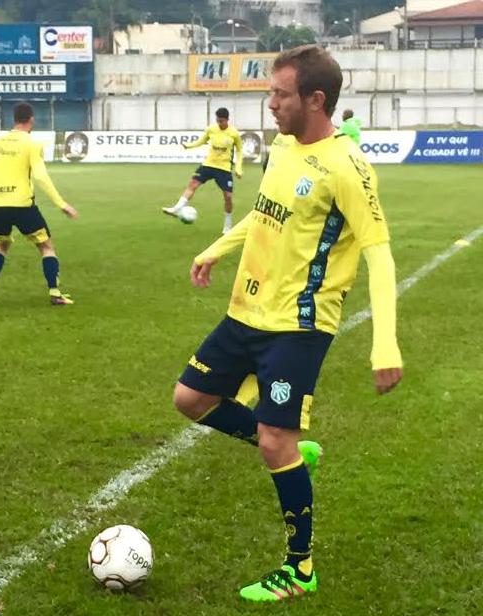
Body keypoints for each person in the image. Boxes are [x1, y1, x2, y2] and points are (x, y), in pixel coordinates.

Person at [171, 45, 403, 603]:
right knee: (190, 399)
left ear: (315, 99)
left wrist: (385, 345)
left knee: (276, 442)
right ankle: (300, 453)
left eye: (280, 94)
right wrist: (217, 247)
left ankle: (300, 568)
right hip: (245, 310)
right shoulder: (281, 146)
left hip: (298, 325)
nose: (269, 104)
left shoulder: (347, 167)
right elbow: (264, 211)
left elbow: (380, 253)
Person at [0, 101, 78, 306]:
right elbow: (40, 176)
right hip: (22, 204)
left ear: (13, 119)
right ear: (31, 119)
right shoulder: (32, 143)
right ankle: (55, 292)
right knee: (46, 246)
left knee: (1, 244)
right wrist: (61, 203)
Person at [162, 107, 243, 234]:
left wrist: (238, 167)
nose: (219, 123)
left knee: (228, 196)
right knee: (193, 184)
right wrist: (189, 146)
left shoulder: (234, 133)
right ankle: (177, 208)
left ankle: (227, 225)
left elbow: (239, 150)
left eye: (221, 121)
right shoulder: (211, 129)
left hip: (224, 168)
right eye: (218, 121)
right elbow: (202, 141)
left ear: (227, 120)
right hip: (208, 164)